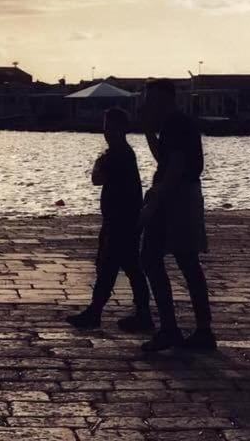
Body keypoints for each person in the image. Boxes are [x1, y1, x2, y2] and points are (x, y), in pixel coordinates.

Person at [138, 78, 216, 352]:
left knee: (157, 257)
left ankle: (176, 329)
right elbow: (166, 160)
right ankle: (196, 329)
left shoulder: (176, 124)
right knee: (182, 261)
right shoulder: (173, 125)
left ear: (166, 100)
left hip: (177, 198)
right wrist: (149, 134)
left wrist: (153, 203)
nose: (149, 105)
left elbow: (175, 169)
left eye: (153, 100)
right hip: (178, 195)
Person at [66, 107, 153, 332]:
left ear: (121, 128)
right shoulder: (123, 152)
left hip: (120, 219)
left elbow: (97, 179)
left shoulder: (117, 154)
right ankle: (139, 313)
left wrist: (98, 162)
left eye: (110, 127)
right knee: (127, 267)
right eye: (106, 127)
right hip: (122, 218)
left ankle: (99, 313)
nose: (107, 132)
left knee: (112, 267)